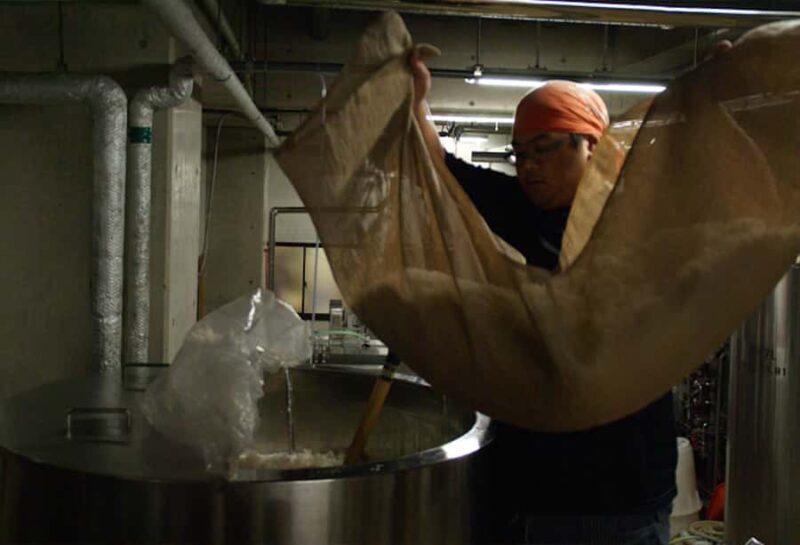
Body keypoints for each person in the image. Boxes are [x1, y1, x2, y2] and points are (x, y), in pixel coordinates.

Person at [409, 56, 680, 545]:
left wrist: (727, 92)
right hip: (529, 489)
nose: (528, 165)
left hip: (620, 499)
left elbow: (717, 179)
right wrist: (415, 97)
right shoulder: (520, 209)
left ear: (591, 146)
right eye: (519, 152)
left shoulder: (644, 217)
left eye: (543, 149)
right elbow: (439, 164)